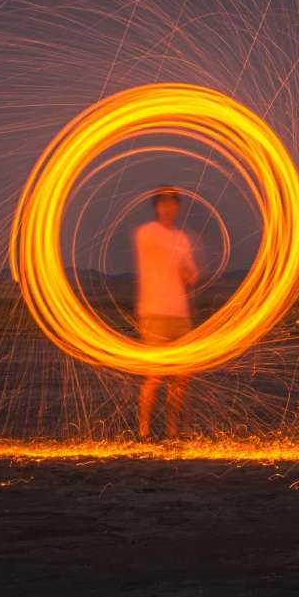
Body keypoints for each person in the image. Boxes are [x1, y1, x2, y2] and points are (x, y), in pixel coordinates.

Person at [135, 186, 199, 440]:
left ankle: (172, 431)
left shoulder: (182, 238)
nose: (167, 207)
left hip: (179, 315)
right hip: (154, 313)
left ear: (177, 207)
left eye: (172, 203)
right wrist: (179, 261)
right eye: (162, 203)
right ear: (156, 207)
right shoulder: (146, 234)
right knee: (155, 375)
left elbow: (190, 275)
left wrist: (190, 272)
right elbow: (161, 256)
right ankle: (144, 431)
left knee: (181, 378)